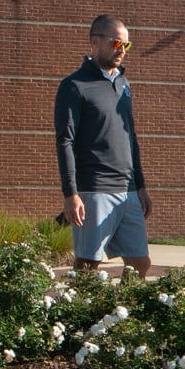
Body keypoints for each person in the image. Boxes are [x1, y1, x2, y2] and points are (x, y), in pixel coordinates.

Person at [55, 14, 152, 276]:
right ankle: (78, 314)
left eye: (126, 46)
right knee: (88, 265)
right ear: (94, 42)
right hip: (94, 188)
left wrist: (140, 185)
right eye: (116, 43)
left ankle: (121, 314)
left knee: (140, 263)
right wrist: (71, 193)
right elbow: (65, 140)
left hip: (128, 189)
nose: (122, 51)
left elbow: (130, 136)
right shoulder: (74, 86)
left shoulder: (123, 84)